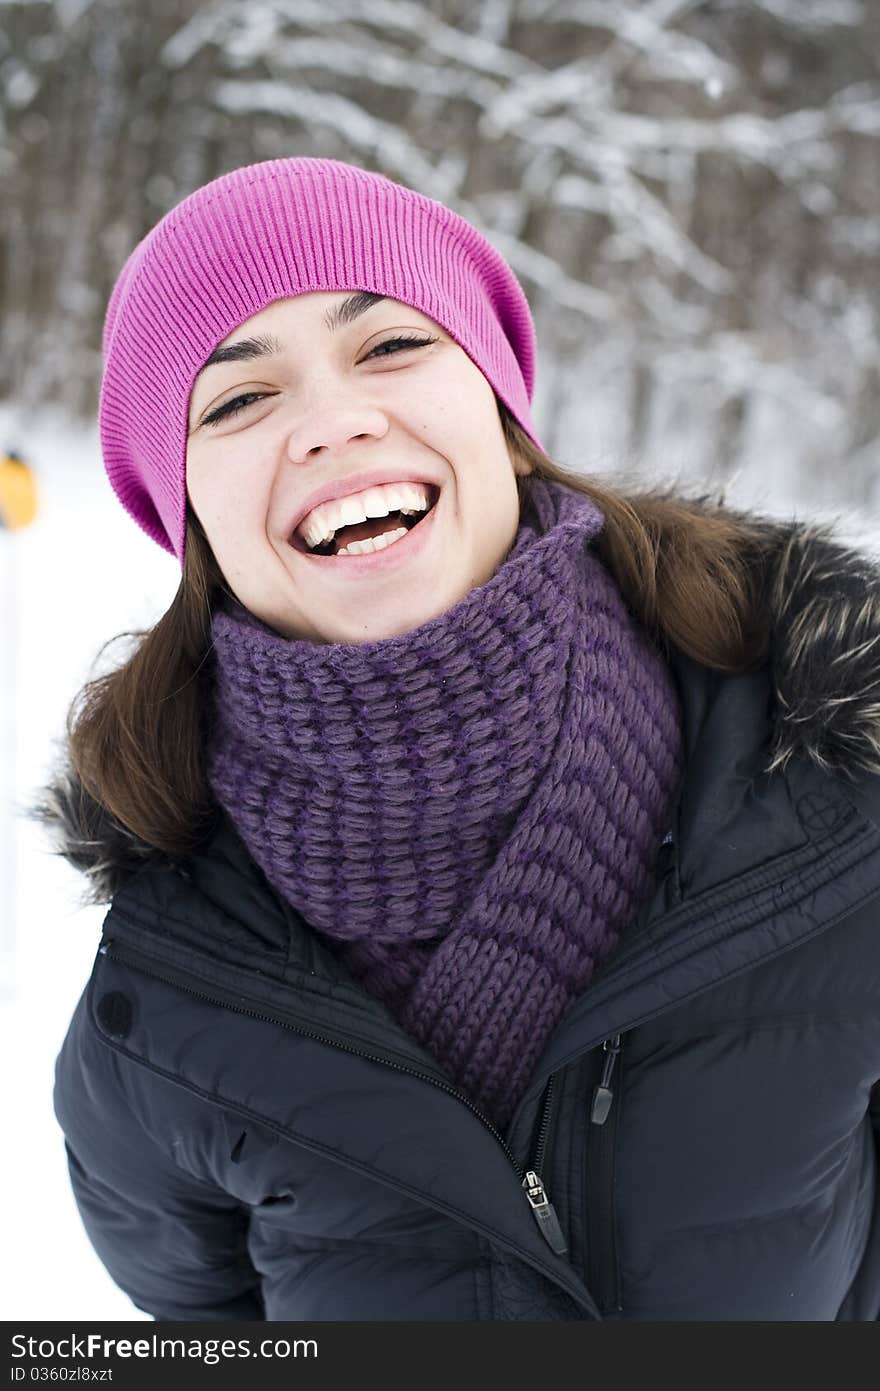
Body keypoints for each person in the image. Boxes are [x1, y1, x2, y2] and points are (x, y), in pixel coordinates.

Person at [33, 157, 880, 1322]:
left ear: (505, 412)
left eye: (389, 346)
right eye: (236, 400)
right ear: (192, 523)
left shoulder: (839, 811)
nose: (333, 423)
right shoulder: (161, 1007)